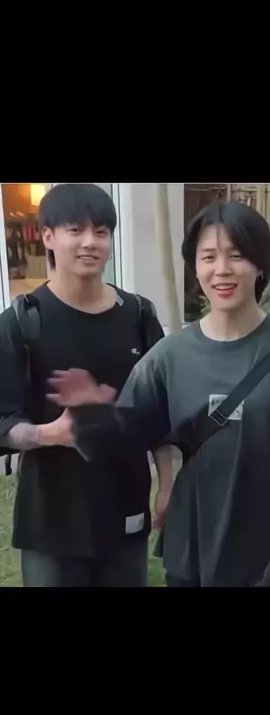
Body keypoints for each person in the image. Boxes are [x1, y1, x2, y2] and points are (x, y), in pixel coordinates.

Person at [48, 200, 270, 587]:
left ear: (261, 265)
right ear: (195, 267)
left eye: (237, 255)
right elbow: (123, 439)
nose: (221, 269)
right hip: (190, 553)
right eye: (208, 257)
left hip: (268, 559)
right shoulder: (170, 357)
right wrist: (93, 415)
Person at [0, 183, 170, 587]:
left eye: (101, 231)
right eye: (75, 230)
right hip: (50, 521)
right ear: (48, 237)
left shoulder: (138, 316)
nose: (90, 242)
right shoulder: (20, 323)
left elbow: (162, 412)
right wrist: (51, 433)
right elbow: (3, 422)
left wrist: (167, 484)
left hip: (125, 507)